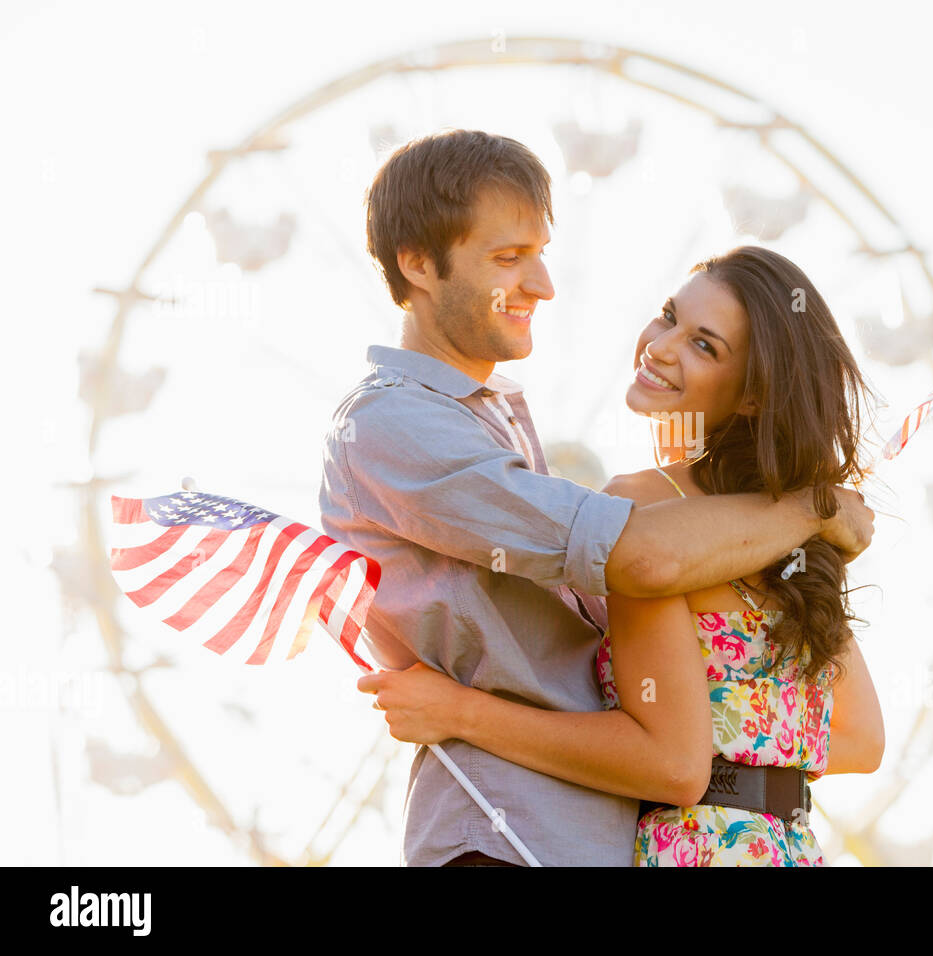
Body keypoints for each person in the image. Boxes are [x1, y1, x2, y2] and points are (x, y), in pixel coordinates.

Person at [319, 129, 877, 867]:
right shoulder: (395, 423)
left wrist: (462, 712)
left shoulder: (515, 432)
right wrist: (815, 508)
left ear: (750, 396)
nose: (544, 285)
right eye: (509, 258)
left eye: (705, 344)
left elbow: (720, 752)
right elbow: (636, 558)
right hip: (510, 831)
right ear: (417, 263)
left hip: (600, 838)